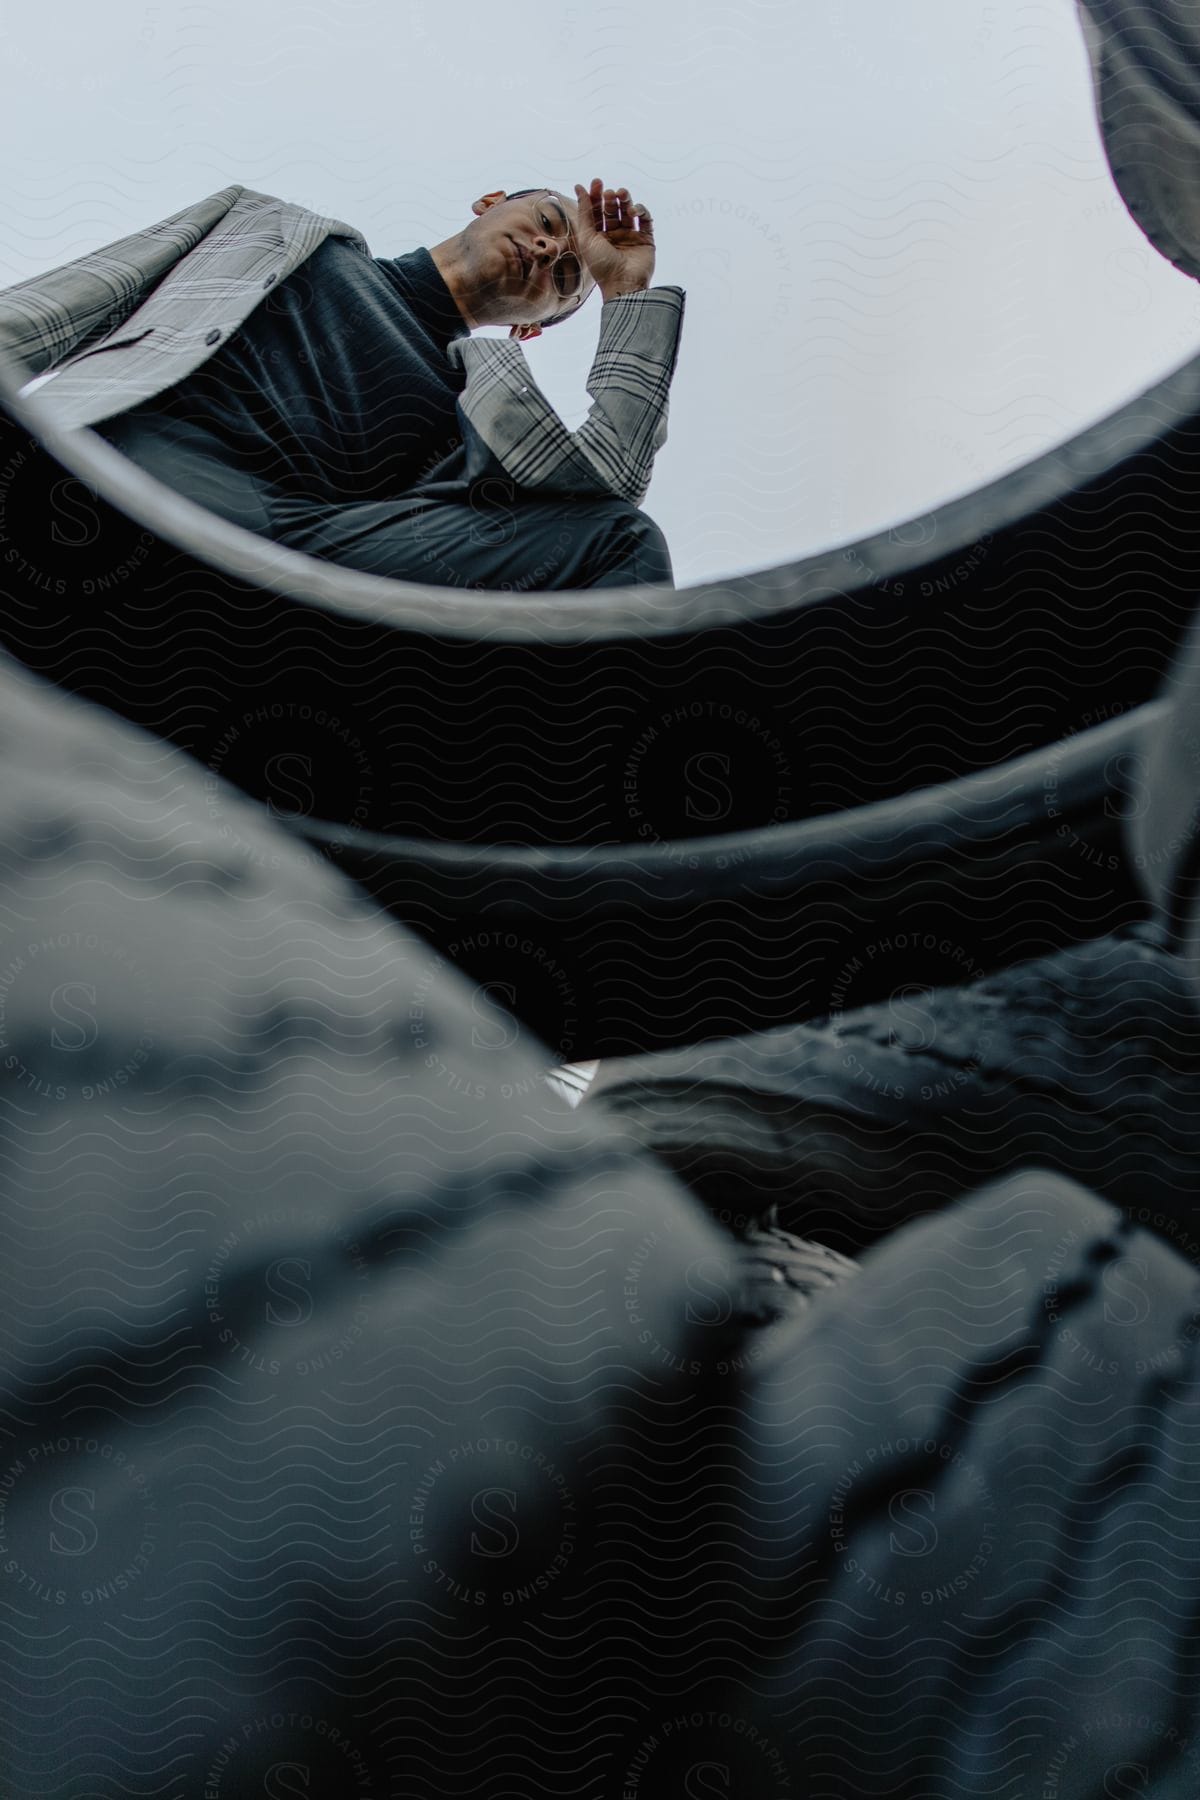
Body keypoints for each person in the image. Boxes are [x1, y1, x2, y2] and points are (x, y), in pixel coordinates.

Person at [17, 177, 684, 593]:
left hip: (282, 558)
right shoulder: (272, 230)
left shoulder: (478, 405)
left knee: (622, 539)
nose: (547, 253)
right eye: (546, 225)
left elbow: (609, 490)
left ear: (532, 329)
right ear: (489, 202)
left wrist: (623, 289)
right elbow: (63, 305)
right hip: (109, 468)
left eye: (567, 277)